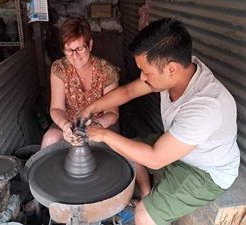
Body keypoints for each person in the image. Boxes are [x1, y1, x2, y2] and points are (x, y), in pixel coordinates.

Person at [80, 18, 240, 225]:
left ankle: (147, 207)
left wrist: (102, 134)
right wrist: (90, 109)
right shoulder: (178, 71)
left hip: (206, 172)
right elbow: (128, 91)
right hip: (181, 147)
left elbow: (156, 159)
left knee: (143, 216)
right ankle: (147, 195)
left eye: (146, 72)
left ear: (171, 69)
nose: (142, 77)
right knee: (127, 151)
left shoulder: (206, 106)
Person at [41, 17, 120, 148]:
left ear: (90, 45)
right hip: (69, 122)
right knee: (51, 138)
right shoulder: (59, 68)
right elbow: (56, 108)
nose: (75, 56)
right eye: (69, 50)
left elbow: (112, 113)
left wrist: (94, 126)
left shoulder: (107, 71)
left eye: (80, 49)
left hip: (100, 123)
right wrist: (65, 125)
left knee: (101, 148)